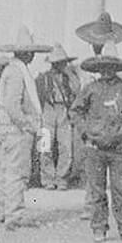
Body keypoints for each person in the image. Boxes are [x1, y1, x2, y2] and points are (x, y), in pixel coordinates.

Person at [70, 46, 122, 243]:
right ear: (98, 68)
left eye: (111, 67)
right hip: (94, 147)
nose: (107, 71)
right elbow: (75, 111)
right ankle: (99, 227)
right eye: (103, 67)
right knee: (97, 190)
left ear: (116, 68)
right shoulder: (90, 88)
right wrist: (86, 131)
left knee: (120, 190)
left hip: (117, 148)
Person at [0, 28, 53, 229]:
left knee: (7, 170)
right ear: (26, 53)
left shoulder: (15, 70)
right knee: (16, 172)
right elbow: (12, 104)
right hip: (16, 129)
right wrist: (26, 124)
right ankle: (13, 215)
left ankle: (4, 210)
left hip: (10, 128)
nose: (34, 56)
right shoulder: (17, 72)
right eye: (31, 52)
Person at [35, 45, 81, 190]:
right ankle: (47, 178)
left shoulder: (70, 77)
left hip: (63, 110)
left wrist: (71, 74)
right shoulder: (43, 78)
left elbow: (77, 89)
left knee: (66, 146)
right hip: (48, 109)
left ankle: (61, 178)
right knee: (45, 145)